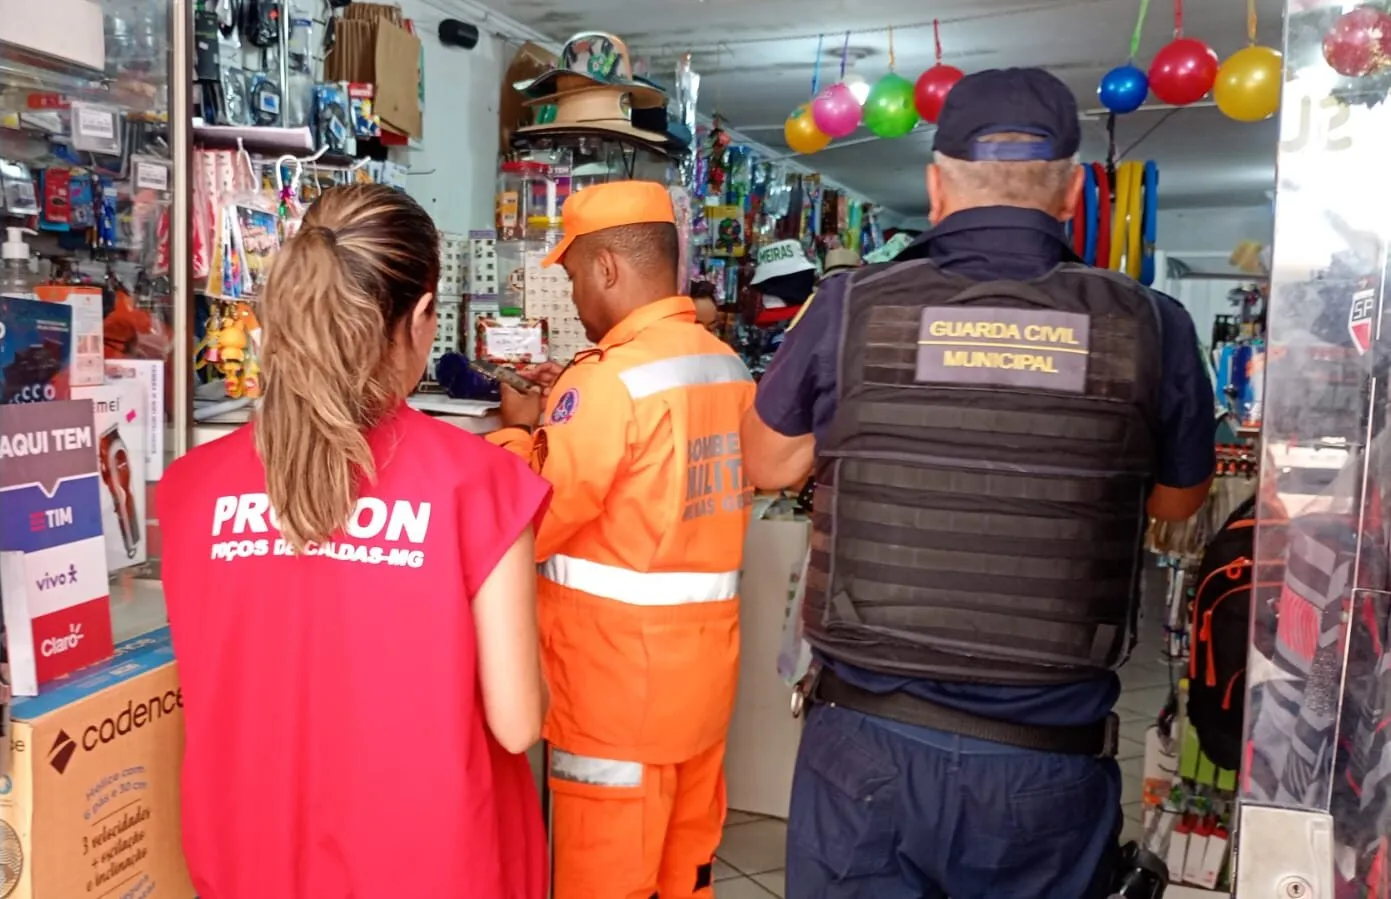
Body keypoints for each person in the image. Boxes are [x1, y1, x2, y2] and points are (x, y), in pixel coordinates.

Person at [742, 68, 1215, 899]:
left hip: (866, 749)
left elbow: (768, 465)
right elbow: (1177, 502)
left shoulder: (850, 305)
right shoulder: (1150, 324)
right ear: (1071, 191)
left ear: (935, 186)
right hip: (1045, 761)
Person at [157, 185, 551, 899]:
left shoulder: (192, 489)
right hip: (429, 866)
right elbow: (518, 721)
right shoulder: (478, 484)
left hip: (250, 861)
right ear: (422, 316)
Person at [490, 180, 756, 899]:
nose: (575, 297)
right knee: (685, 873)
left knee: (604, 880)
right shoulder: (724, 365)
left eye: (575, 276)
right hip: (701, 685)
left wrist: (517, 432)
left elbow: (533, 519)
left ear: (607, 267)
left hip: (613, 695)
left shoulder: (612, 381)